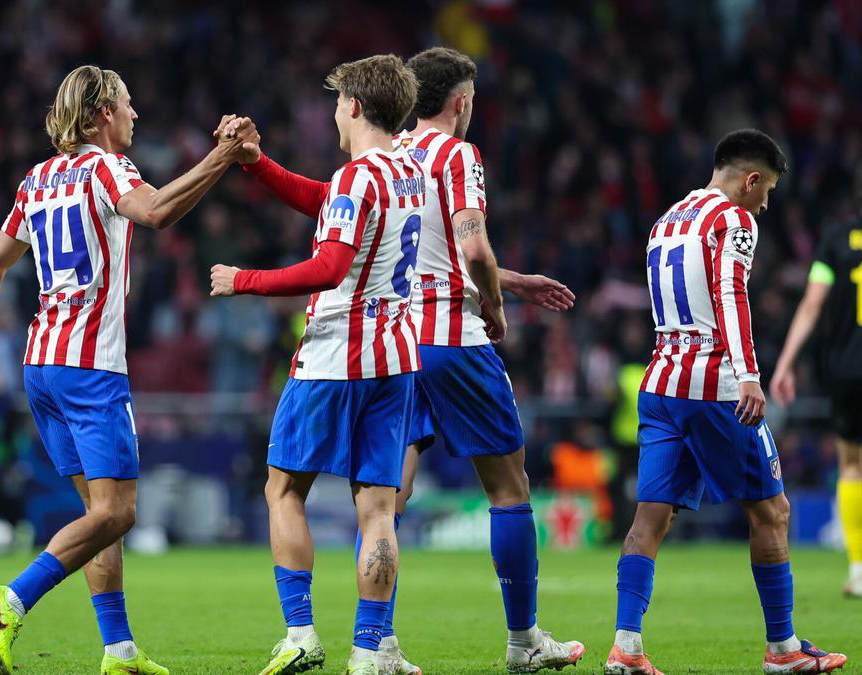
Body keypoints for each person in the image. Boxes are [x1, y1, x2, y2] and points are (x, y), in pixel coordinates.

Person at [221, 47, 582, 674]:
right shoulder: (424, 166)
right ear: (460, 101)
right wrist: (498, 302)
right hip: (429, 345)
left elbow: (337, 230)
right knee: (490, 491)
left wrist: (244, 276)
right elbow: (468, 250)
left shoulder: (392, 160)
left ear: (359, 104)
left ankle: (342, 637)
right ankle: (494, 641)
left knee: (315, 491)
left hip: (380, 339)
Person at [0, 64, 255, 675]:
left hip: (41, 365)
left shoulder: (37, 180)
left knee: (97, 515)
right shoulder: (106, 169)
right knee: (118, 513)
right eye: (129, 105)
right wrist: (221, 158)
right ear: (103, 113)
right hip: (89, 369)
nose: (136, 115)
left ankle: (119, 653)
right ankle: (14, 599)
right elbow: (157, 212)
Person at [209, 54, 423, 675]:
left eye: (336, 102)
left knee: (283, 488)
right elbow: (324, 199)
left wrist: (243, 279)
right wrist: (258, 165)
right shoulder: (407, 173)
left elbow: (329, 267)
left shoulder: (360, 177)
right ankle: (369, 649)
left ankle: (301, 633)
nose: (334, 112)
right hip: (395, 356)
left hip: (335, 354)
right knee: (378, 507)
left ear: (354, 105)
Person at [605, 129, 847, 674]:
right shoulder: (735, 220)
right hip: (713, 385)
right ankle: (783, 650)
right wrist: (749, 376)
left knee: (651, 517)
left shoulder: (666, 220)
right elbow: (731, 295)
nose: (766, 203)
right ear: (751, 179)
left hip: (660, 380)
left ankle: (626, 645)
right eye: (768, 192)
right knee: (772, 510)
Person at [770, 219, 862, 598]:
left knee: (853, 464)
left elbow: (812, 302)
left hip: (847, 370)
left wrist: (786, 362)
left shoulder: (837, 237)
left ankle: (858, 569)